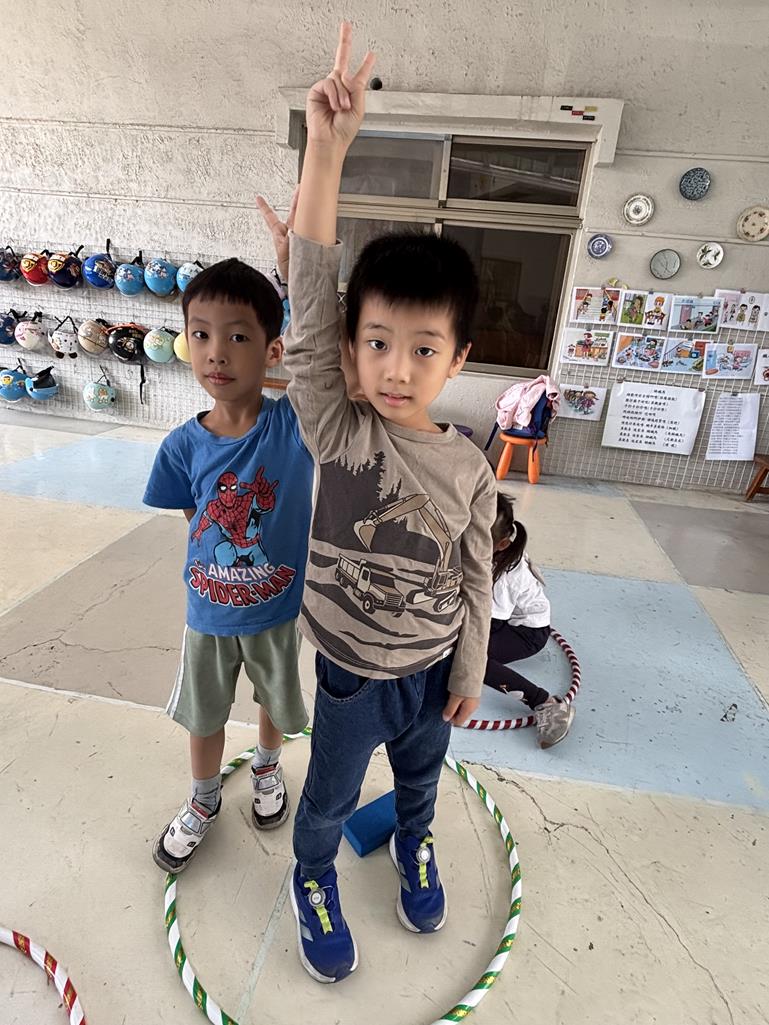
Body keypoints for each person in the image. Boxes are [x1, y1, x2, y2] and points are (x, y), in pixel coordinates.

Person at [272, 21, 497, 984]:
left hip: (431, 671)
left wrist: (469, 665)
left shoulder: (472, 466)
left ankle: (413, 842)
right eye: (376, 343)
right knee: (328, 797)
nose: (395, 368)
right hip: (351, 675)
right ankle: (312, 873)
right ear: (350, 350)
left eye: (422, 349)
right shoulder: (341, 429)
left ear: (458, 359)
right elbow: (310, 309)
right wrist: (326, 150)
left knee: (419, 779)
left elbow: (478, 572)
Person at [143, 256, 314, 874]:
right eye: (201, 334)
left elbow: (327, 367)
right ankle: (204, 797)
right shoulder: (181, 446)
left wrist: (298, 274)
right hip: (209, 615)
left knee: (274, 700)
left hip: (277, 609)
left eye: (239, 336)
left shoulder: (295, 425)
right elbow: (197, 521)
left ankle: (267, 768)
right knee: (204, 713)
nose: (216, 352)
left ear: (273, 349)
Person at [484, 493, 575, 749]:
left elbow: (488, 623)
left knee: (468, 659)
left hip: (526, 634)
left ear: (501, 544)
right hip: (507, 621)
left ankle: (546, 704)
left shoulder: (502, 575)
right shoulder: (496, 552)